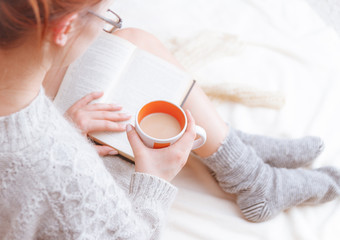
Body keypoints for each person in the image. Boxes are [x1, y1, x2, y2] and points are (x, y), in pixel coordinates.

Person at [0, 1, 339, 239]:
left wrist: (65, 125)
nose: (108, 22)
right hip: (77, 174)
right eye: (104, 14)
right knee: (130, 58)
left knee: (131, 42)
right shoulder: (66, 175)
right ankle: (253, 178)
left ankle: (240, 161)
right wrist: (154, 178)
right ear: (65, 27)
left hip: (44, 117)